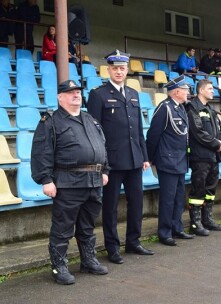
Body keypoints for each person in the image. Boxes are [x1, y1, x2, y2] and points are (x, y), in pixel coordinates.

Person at [31, 80, 109, 285]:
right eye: (70, 92)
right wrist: (46, 180)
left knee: (87, 226)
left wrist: (105, 169)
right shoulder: (51, 121)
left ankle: (88, 260)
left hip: (93, 181)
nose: (76, 95)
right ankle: (59, 267)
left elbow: (101, 145)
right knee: (63, 227)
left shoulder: (90, 119)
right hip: (68, 183)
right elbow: (41, 152)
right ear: (60, 97)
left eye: (77, 92)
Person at [87, 50, 153, 264]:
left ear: (126, 70)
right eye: (115, 68)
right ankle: (112, 247)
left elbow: (139, 129)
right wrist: (102, 162)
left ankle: (134, 242)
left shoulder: (133, 93)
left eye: (122, 68)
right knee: (111, 206)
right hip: (112, 162)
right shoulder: (98, 94)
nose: (118, 72)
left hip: (134, 159)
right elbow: (95, 132)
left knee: (136, 203)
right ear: (108, 70)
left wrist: (144, 156)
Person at [146, 75, 194, 246]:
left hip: (180, 160)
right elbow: (153, 135)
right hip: (167, 160)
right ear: (177, 91)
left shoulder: (181, 108)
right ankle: (165, 232)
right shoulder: (164, 108)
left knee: (179, 197)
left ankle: (177, 228)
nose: (188, 92)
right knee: (168, 198)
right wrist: (150, 158)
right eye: (186, 90)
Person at [185, 79, 221, 236]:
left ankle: (207, 219)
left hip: (214, 156)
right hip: (200, 157)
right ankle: (195, 223)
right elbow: (198, 132)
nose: (212, 91)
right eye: (209, 88)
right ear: (201, 90)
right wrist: (217, 143)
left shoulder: (210, 109)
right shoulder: (193, 109)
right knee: (198, 190)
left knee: (210, 189)